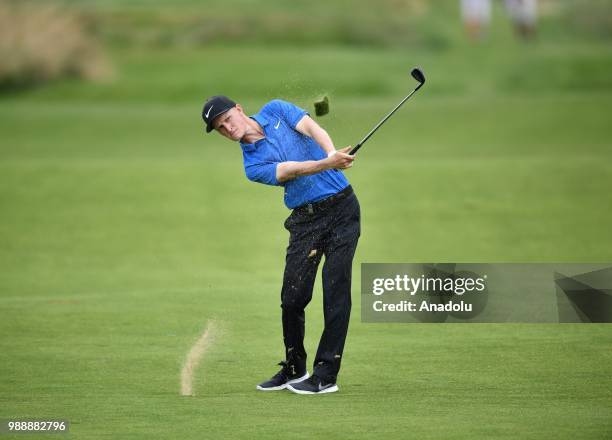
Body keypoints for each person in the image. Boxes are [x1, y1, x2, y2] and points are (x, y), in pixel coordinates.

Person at [202, 96, 361, 394]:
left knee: (335, 291)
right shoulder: (252, 164)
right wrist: (328, 162)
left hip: (342, 210)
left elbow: (312, 128)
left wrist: (331, 153)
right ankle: (294, 367)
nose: (227, 128)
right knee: (292, 297)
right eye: (220, 128)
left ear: (238, 108)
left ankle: (326, 374)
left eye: (227, 119)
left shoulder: (277, 109)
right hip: (305, 221)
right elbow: (290, 170)